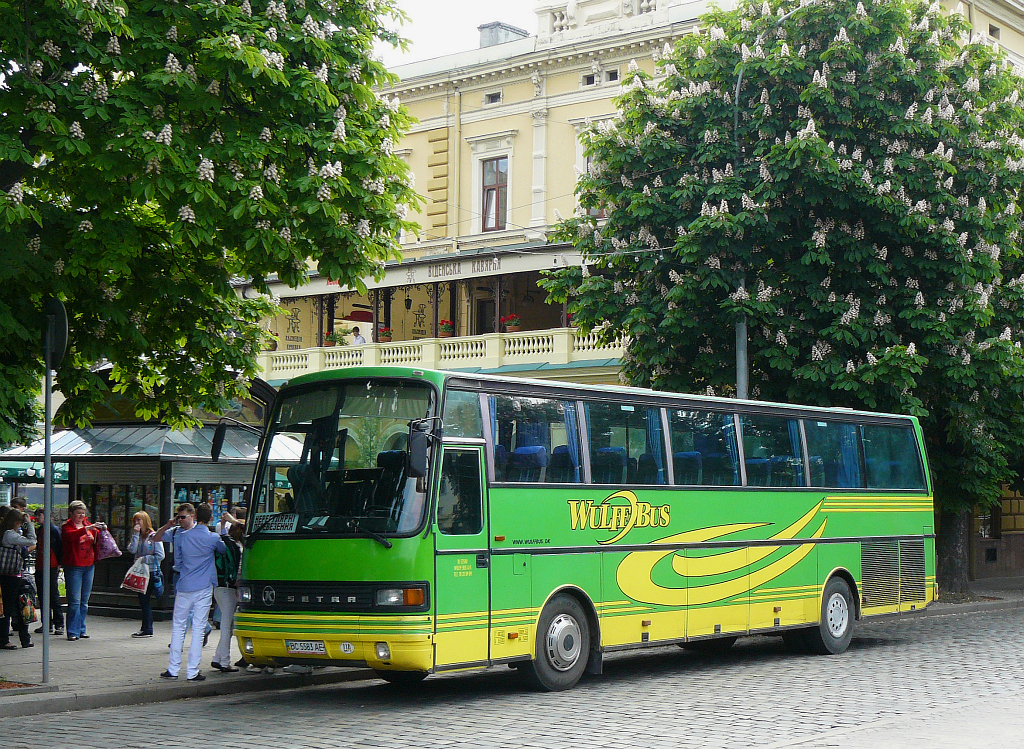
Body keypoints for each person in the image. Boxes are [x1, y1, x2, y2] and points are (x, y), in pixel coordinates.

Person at [153, 502, 225, 682]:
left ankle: (173, 668)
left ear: (194, 516)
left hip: (184, 585)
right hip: (203, 586)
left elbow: (160, 540)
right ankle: (193, 671)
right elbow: (223, 550)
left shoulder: (182, 536)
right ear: (210, 518)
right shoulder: (212, 538)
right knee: (199, 628)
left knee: (178, 626)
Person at [61, 500, 104, 642]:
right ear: (71, 514)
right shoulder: (67, 527)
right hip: (74, 566)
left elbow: (98, 539)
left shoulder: (88, 525)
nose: (81, 516)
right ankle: (72, 631)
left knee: (84, 601)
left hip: (89, 565)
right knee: (74, 600)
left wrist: (101, 530)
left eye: (83, 513)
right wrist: (87, 529)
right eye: (78, 513)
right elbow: (71, 536)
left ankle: (81, 629)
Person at [0, 509, 36, 649]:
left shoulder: (10, 533)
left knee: (16, 606)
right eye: (20, 522)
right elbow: (32, 541)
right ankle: (8, 640)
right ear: (15, 521)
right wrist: (30, 524)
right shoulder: (9, 534)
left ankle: (24, 639)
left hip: (12, 575)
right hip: (11, 576)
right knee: (13, 607)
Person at [127, 511, 165, 639]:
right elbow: (132, 549)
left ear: (145, 521)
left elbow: (160, 555)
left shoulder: (153, 536)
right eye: (135, 521)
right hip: (140, 572)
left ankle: (147, 628)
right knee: (143, 601)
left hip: (151, 571)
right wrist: (136, 534)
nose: (137, 523)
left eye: (139, 521)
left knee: (146, 600)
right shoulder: (137, 535)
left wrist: (144, 559)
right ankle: (146, 628)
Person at [211, 522, 243, 672]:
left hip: (218, 586)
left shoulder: (224, 543)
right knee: (227, 626)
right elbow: (239, 571)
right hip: (230, 589)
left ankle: (218, 657)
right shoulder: (239, 548)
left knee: (227, 625)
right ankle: (224, 661)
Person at [32, 508, 64, 636]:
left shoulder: (53, 530)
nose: (37, 518)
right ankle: (47, 623)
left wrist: (59, 564)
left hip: (51, 564)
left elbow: (60, 547)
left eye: (39, 516)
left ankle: (58, 623)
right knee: (42, 594)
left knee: (53, 594)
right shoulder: (41, 530)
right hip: (41, 565)